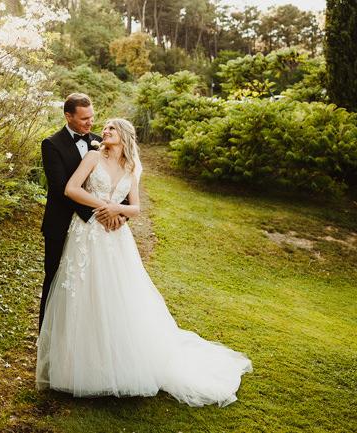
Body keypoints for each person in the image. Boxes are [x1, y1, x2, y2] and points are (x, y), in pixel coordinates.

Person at [34, 118, 252, 407]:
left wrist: (118, 210)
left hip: (114, 236)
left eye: (111, 129)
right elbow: (71, 189)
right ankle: (75, 365)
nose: (104, 131)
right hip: (86, 233)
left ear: (123, 136)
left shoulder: (132, 167)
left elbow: (136, 207)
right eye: (106, 128)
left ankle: (115, 360)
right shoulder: (92, 156)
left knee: (116, 295)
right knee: (81, 292)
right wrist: (104, 206)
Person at [39, 93, 126, 330]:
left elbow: (118, 182)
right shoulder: (51, 144)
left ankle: (82, 333)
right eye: (84, 118)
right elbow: (60, 188)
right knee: (55, 279)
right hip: (62, 223)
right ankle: (46, 336)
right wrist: (96, 213)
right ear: (68, 116)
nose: (90, 123)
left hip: (96, 229)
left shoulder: (100, 142)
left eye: (92, 117)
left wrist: (120, 213)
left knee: (90, 283)